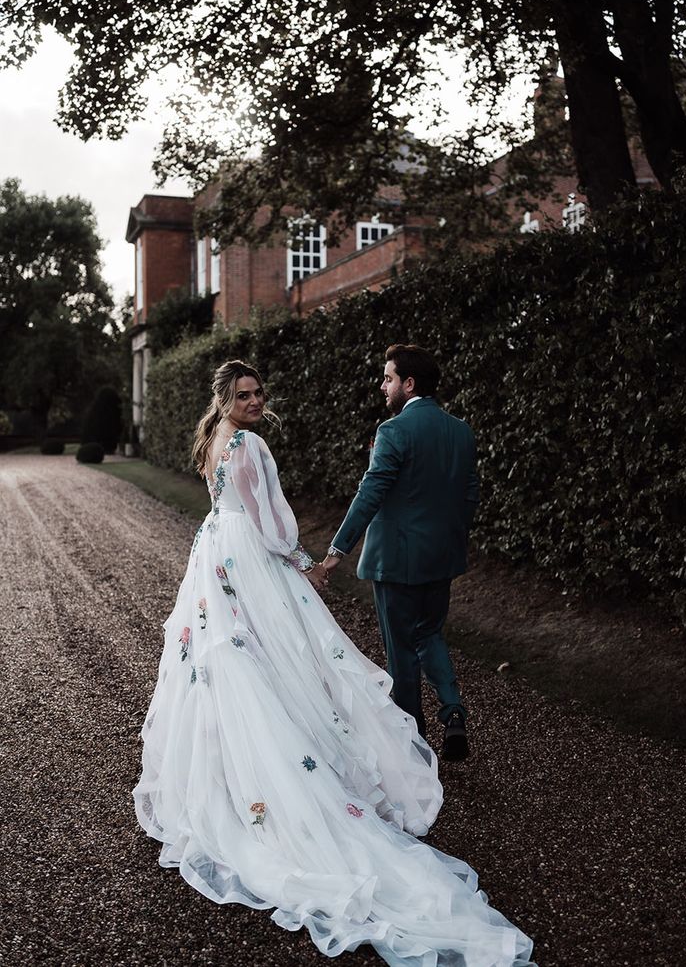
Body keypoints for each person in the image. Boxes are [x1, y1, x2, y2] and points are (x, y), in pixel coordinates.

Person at [133, 359, 534, 967]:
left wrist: (309, 554)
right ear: (227, 398)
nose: (256, 401)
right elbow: (269, 519)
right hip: (250, 558)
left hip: (216, 551)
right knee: (283, 657)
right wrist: (300, 558)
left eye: (259, 392)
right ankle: (304, 770)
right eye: (244, 395)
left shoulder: (214, 439)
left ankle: (229, 779)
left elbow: (229, 505)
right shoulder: (251, 443)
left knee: (233, 661)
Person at [322, 344, 478, 761]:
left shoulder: (393, 431)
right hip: (441, 557)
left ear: (408, 384)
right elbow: (469, 497)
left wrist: (338, 548)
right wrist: (450, 540)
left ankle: (413, 744)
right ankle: (454, 711)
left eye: (388, 378)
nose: (383, 385)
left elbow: (371, 492)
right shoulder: (461, 431)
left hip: (396, 561)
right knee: (429, 633)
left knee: (401, 650)